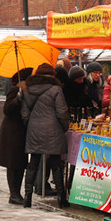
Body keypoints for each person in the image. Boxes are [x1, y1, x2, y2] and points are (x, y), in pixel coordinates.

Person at [21, 63, 70, 208]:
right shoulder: (56, 89)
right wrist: (64, 127)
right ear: (52, 75)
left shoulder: (27, 89)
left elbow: (24, 114)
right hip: (53, 130)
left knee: (33, 163)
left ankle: (27, 198)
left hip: (34, 129)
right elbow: (62, 112)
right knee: (56, 163)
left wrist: (30, 125)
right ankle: (62, 198)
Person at [0, 67, 33, 205]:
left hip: (21, 131)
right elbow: (7, 110)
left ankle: (16, 193)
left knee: (20, 162)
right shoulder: (15, 91)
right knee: (13, 163)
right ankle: (14, 194)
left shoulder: (27, 91)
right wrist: (17, 99)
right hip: (12, 132)